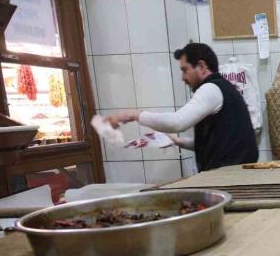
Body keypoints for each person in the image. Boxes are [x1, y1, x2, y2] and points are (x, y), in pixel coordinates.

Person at [105, 43, 258, 172]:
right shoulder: (222, 88)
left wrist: (133, 115)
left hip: (231, 177)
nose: (183, 78)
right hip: (235, 173)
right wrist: (178, 141)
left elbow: (176, 122)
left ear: (201, 66)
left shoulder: (211, 89)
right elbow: (216, 144)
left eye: (185, 70)